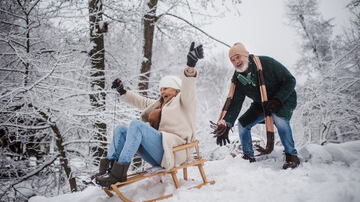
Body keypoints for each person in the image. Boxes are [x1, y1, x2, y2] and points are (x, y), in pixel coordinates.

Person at [93, 42, 204, 188]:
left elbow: (188, 87)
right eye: (160, 89)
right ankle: (107, 170)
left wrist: (191, 66)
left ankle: (118, 173)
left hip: (174, 151)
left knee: (136, 125)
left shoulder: (185, 101)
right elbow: (142, 102)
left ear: (176, 90)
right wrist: (123, 92)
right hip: (160, 151)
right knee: (121, 129)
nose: (162, 92)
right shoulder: (161, 105)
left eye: (166, 88)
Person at [212, 42, 299, 169]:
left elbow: (290, 80)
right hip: (261, 104)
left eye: (238, 57)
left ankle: (292, 156)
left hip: (283, 99)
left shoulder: (266, 63)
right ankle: (248, 156)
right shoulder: (239, 79)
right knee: (242, 124)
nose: (236, 61)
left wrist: (277, 100)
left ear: (245, 55)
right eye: (233, 60)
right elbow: (235, 103)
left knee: (279, 119)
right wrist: (226, 123)